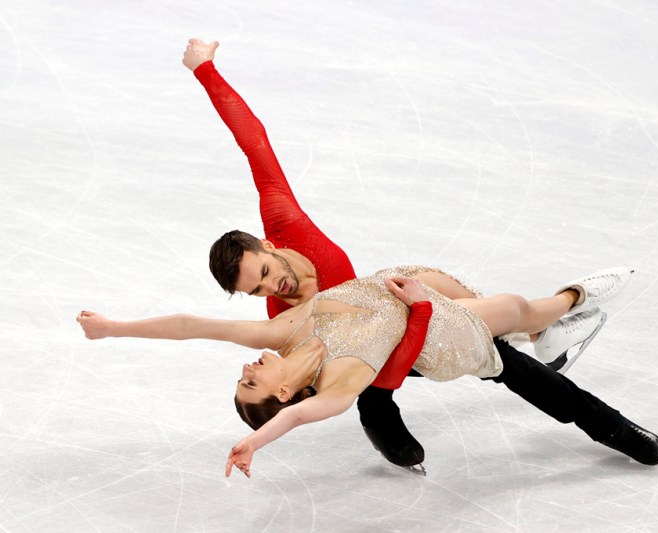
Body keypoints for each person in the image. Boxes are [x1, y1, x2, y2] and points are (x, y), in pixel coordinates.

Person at [166, 38, 607, 472]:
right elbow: (301, 388)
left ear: (268, 245)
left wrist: (205, 69)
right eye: (257, 290)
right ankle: (395, 412)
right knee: (382, 381)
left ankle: (543, 328)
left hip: (394, 307)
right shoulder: (286, 322)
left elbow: (254, 142)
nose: (272, 288)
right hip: (381, 352)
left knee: (472, 308)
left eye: (264, 272)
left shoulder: (285, 223)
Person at [77, 265, 658, 479]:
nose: (247, 366)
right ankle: (574, 298)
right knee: (514, 310)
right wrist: (254, 441)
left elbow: (191, 325)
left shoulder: (281, 332)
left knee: (517, 324)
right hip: (441, 336)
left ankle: (553, 326)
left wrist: (114, 327)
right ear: (285, 390)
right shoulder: (338, 384)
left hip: (407, 284)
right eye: (251, 380)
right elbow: (299, 417)